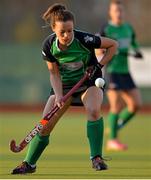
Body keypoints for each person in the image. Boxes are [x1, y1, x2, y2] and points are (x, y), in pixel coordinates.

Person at [11, 3, 118, 174]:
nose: (67, 35)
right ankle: (29, 164)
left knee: (93, 110)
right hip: (64, 84)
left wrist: (98, 65)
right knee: (45, 124)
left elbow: (113, 45)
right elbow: (54, 74)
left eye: (70, 30)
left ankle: (96, 157)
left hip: (89, 82)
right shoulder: (49, 46)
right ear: (54, 29)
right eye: (63, 32)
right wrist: (59, 96)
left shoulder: (84, 39)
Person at [97, 0, 143, 151]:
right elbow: (98, 48)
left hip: (126, 72)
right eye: (116, 10)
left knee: (135, 105)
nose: (119, 13)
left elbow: (134, 44)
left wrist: (136, 51)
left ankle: (115, 126)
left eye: (121, 10)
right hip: (112, 71)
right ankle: (113, 140)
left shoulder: (128, 28)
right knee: (116, 106)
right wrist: (107, 51)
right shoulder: (106, 28)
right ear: (111, 12)